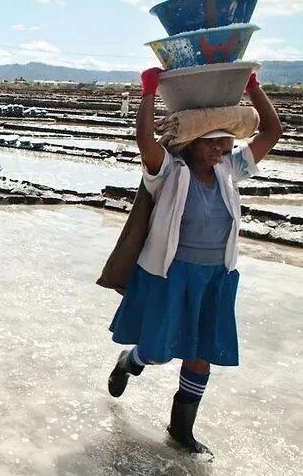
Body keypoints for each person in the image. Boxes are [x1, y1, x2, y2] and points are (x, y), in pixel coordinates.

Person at [107, 67, 282, 458]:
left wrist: (253, 86)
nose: (222, 149)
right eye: (214, 143)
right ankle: (129, 360)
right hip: (173, 276)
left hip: (215, 278)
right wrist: (149, 91)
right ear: (190, 144)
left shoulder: (228, 172)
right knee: (156, 350)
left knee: (202, 354)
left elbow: (272, 132)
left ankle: (181, 430)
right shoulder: (168, 173)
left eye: (225, 143)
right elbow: (145, 140)